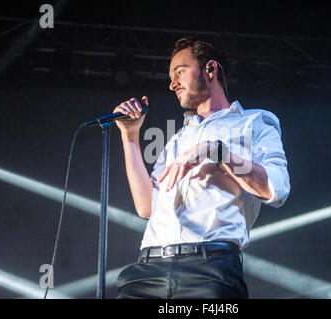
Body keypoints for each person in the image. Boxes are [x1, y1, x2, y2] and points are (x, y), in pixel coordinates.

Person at [114, 36, 290, 299]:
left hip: (208, 269)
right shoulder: (176, 139)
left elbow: (277, 188)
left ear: (210, 69)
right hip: (148, 268)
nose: (172, 84)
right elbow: (146, 206)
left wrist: (216, 150)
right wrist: (130, 136)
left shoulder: (254, 123)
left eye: (179, 72)